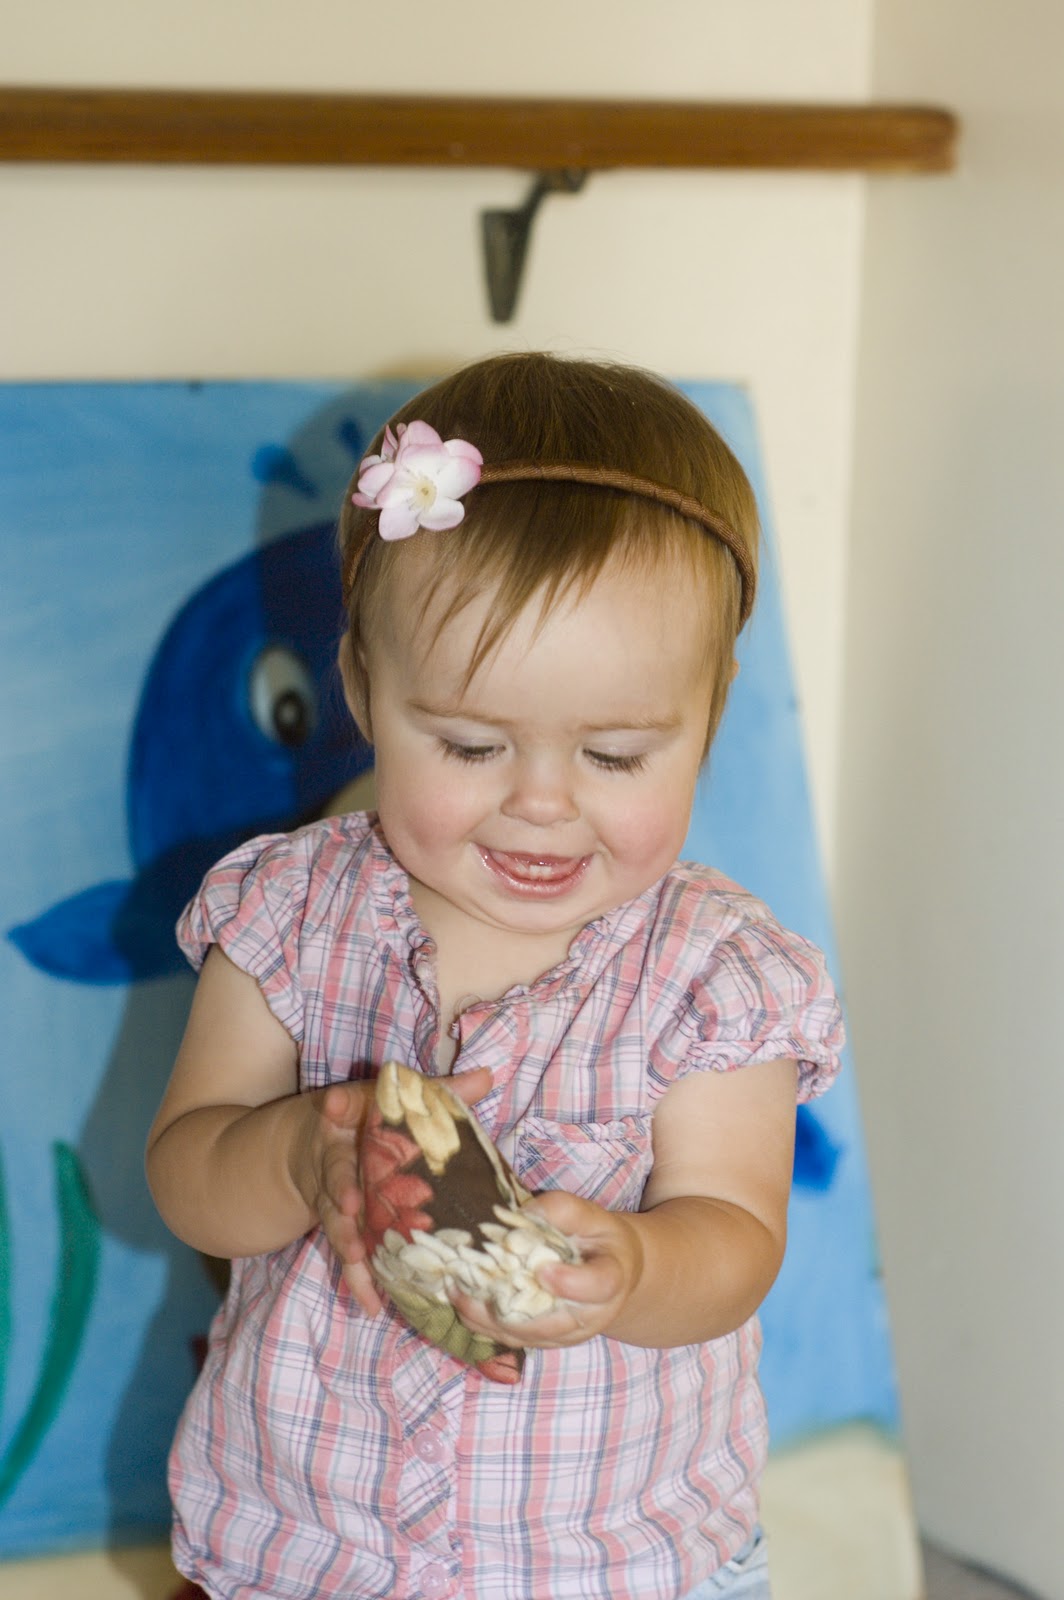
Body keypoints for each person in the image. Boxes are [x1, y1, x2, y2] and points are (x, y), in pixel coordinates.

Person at [147, 352, 843, 1600]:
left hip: (606, 1559)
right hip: (309, 1543)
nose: (538, 805)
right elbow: (188, 1173)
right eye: (469, 743)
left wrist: (632, 1266)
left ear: (708, 716)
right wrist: (300, 1154)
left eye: (617, 754)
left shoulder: (714, 976)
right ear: (362, 687)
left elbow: (735, 1237)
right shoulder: (288, 915)